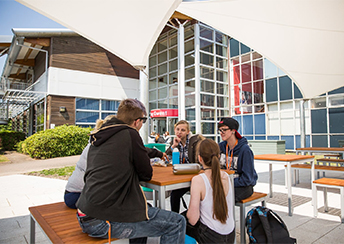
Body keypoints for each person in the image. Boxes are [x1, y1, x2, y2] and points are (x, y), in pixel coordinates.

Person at [76, 99, 186, 243]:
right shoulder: (130, 134)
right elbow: (146, 174)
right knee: (177, 223)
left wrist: (154, 154)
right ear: (137, 121)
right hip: (102, 221)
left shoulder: (102, 134)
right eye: (144, 121)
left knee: (141, 209)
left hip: (86, 212)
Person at [64, 117, 168, 210]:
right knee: (135, 206)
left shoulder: (98, 142)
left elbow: (137, 150)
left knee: (137, 204)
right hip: (79, 196)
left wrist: (157, 153)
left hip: (78, 194)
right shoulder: (103, 146)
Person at [183, 139, 235, 243]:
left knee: (178, 221)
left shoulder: (198, 180)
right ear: (219, 156)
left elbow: (193, 220)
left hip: (211, 237)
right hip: (230, 235)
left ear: (199, 158)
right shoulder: (226, 176)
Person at [165, 120, 203, 212]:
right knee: (174, 193)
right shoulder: (175, 142)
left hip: (194, 176)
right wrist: (173, 146)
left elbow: (198, 162)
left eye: (182, 130)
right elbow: (165, 158)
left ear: (187, 132)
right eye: (177, 129)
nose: (179, 132)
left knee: (175, 194)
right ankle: (175, 218)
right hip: (181, 175)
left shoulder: (194, 143)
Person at [218, 117, 258, 202]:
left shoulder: (245, 150)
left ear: (233, 130)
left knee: (223, 198)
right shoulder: (220, 147)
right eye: (220, 130)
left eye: (224, 130)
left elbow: (247, 179)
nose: (221, 133)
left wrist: (227, 182)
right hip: (225, 183)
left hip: (243, 186)